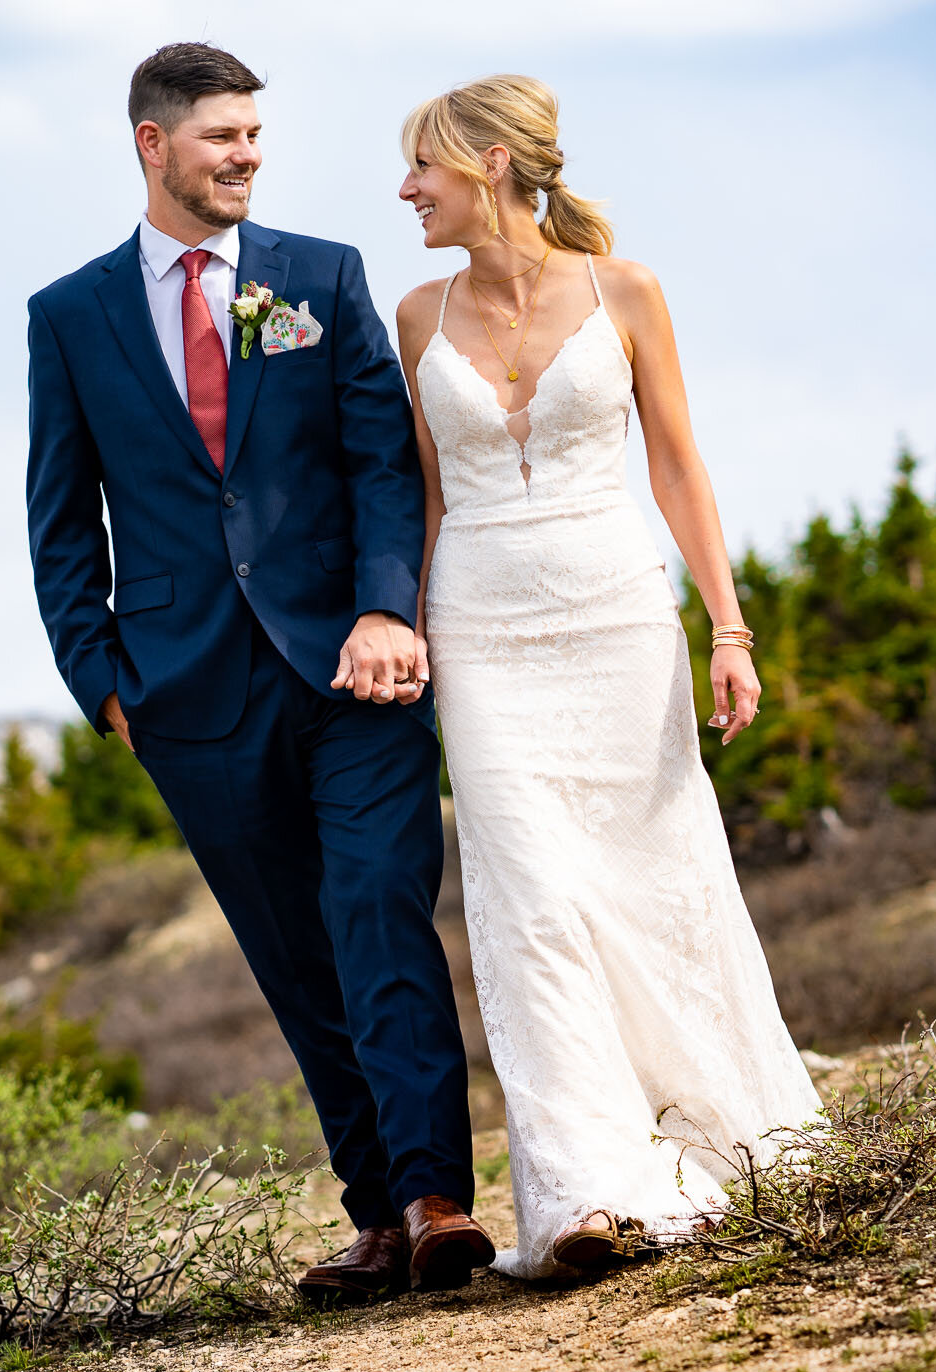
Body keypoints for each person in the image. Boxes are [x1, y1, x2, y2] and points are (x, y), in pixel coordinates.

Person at [25, 42, 492, 1304]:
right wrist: (104, 683)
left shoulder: (322, 277)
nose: (246, 156)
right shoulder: (68, 317)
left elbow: (384, 466)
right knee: (293, 956)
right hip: (186, 694)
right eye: (222, 137)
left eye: (253, 136)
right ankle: (378, 1217)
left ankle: (435, 1195)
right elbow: (61, 518)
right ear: (153, 143)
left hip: (355, 669)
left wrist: (387, 610)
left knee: (378, 908)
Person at [392, 75, 822, 1278]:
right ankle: (583, 1192)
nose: (405, 189)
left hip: (619, 619)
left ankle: (714, 1138)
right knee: (531, 907)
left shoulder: (625, 293)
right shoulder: (414, 315)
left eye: (421, 165)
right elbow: (421, 498)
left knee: (654, 882)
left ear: (487, 164)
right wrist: (410, 633)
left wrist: (729, 630)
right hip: (481, 634)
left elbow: (680, 469)